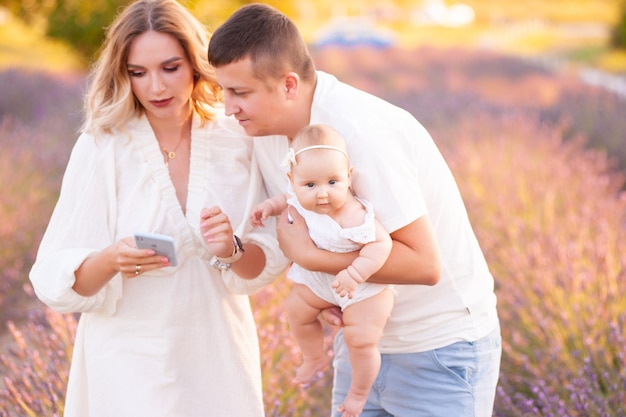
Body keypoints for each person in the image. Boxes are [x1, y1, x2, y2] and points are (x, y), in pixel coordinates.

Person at [208, 4, 502, 417]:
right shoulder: (268, 133)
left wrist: (312, 259)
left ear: (289, 85)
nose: (228, 108)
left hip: (438, 352)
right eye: (224, 91)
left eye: (239, 93)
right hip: (362, 345)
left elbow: (424, 265)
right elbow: (291, 234)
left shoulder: (361, 131)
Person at [28, 1, 288, 416]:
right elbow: (54, 280)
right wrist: (112, 259)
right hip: (128, 361)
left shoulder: (237, 138)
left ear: (195, 64)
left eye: (170, 68)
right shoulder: (102, 146)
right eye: (138, 73)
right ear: (122, 73)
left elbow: (266, 260)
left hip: (216, 355)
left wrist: (231, 250)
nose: (156, 88)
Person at [251, 124, 393, 417]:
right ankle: (314, 356)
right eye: (310, 186)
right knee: (296, 308)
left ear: (348, 178)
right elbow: (285, 201)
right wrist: (268, 207)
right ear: (292, 181)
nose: (322, 194)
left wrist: (355, 274)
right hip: (320, 282)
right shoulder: (298, 200)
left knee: (361, 340)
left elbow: (382, 245)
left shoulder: (355, 215)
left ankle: (357, 394)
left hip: (363, 289)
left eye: (332, 182)